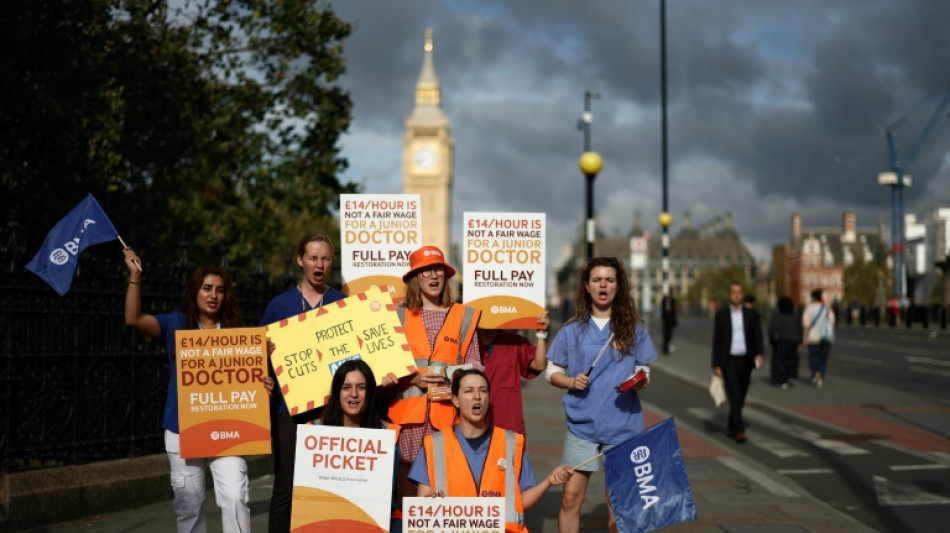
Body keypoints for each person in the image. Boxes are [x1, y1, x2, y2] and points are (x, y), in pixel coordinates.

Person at [123, 247, 251, 532]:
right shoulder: (176, 325)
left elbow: (247, 381)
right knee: (190, 508)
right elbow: (133, 319)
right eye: (207, 288)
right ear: (195, 291)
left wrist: (261, 383)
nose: (212, 295)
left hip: (226, 431)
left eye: (219, 290)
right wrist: (135, 276)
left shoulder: (234, 333)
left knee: (235, 497)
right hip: (183, 430)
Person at [544, 256, 656, 533]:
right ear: (587, 286)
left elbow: (644, 369)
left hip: (623, 427)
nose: (603, 285)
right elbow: (550, 371)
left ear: (618, 286)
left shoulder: (635, 328)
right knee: (570, 499)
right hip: (582, 428)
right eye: (597, 280)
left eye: (609, 280)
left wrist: (639, 381)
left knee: (617, 506)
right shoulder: (572, 329)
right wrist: (569, 382)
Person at [409, 369, 574, 533]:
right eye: (468, 391)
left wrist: (549, 482)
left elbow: (520, 501)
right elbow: (423, 500)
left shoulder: (511, 442)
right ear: (456, 400)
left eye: (483, 390)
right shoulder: (434, 445)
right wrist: (430, 503)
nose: (477, 396)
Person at [259, 232, 347, 533]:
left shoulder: (343, 303)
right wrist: (265, 366)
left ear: (331, 261)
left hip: (332, 411)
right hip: (289, 411)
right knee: (286, 487)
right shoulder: (279, 305)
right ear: (300, 261)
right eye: (313, 257)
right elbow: (257, 360)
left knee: (327, 487)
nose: (319, 264)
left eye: (325, 258)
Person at [386, 245, 482, 509]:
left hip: (447, 417)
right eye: (426, 270)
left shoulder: (463, 316)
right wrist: (411, 379)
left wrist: (452, 378)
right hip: (408, 419)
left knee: (443, 490)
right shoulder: (397, 315)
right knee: (406, 494)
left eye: (438, 269)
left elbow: (475, 369)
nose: (433, 275)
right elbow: (383, 367)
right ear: (415, 278)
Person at [314, 359, 401, 533]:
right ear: (337, 392)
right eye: (346, 387)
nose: (354, 394)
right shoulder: (315, 432)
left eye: (361, 387)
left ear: (369, 393)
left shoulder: (388, 435)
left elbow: (392, 497)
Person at [477, 312, 549, 435]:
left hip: (508, 427)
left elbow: (539, 364)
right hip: (475, 428)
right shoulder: (466, 344)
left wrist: (541, 333)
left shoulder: (514, 342)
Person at [711, 281, 764, 443]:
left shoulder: (751, 314)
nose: (736, 295)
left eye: (739, 292)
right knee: (734, 394)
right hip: (729, 361)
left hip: (746, 360)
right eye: (733, 292)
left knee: (741, 395)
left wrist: (759, 354)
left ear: (742, 295)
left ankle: (731, 423)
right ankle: (739, 429)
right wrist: (716, 364)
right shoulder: (722, 315)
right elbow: (717, 340)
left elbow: (757, 337)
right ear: (729, 295)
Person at [802, 288, 834, 388]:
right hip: (825, 337)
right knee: (823, 358)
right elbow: (832, 321)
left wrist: (804, 337)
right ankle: (821, 374)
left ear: (813, 298)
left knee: (814, 357)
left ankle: (815, 373)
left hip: (813, 338)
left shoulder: (809, 308)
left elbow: (806, 324)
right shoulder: (826, 308)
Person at [768, 296, 801, 388]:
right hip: (793, 341)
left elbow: (773, 330)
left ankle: (782, 379)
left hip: (782, 341)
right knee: (792, 360)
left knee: (780, 361)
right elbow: (799, 329)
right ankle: (791, 376)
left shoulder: (777, 316)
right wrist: (799, 341)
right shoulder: (795, 317)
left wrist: (772, 341)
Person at [660, 287, 678, 354]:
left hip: (670, 321)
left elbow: (675, 311)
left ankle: (668, 348)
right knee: (665, 335)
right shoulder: (665, 299)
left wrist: (675, 321)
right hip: (665, 321)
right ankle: (665, 349)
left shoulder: (673, 301)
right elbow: (663, 309)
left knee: (670, 336)